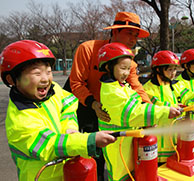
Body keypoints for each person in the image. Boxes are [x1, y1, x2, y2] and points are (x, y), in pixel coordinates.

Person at [0, 40, 116, 181]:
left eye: (48, 72)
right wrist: (88, 140)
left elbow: (68, 103)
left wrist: (70, 128)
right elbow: (49, 144)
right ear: (11, 79)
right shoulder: (19, 119)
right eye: (37, 73)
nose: (46, 79)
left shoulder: (53, 90)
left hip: (67, 173)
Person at [64, 12, 152, 180]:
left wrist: (149, 110)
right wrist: (93, 104)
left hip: (107, 110)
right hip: (82, 105)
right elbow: (76, 82)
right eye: (129, 33)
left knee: (107, 152)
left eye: (136, 35)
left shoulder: (129, 63)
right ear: (115, 32)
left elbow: (136, 86)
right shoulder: (88, 49)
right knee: (80, 153)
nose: (133, 39)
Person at [97, 42, 181, 181]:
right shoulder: (111, 91)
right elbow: (134, 113)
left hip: (127, 143)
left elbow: (138, 107)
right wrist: (164, 112)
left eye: (129, 69)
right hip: (119, 149)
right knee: (122, 177)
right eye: (123, 68)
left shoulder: (121, 86)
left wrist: (146, 122)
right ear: (108, 66)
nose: (126, 73)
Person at [143, 50, 194, 163]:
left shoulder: (175, 84)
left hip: (173, 140)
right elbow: (156, 104)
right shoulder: (147, 88)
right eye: (170, 69)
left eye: (175, 69)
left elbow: (188, 95)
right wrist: (174, 106)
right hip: (156, 143)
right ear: (158, 69)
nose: (173, 73)